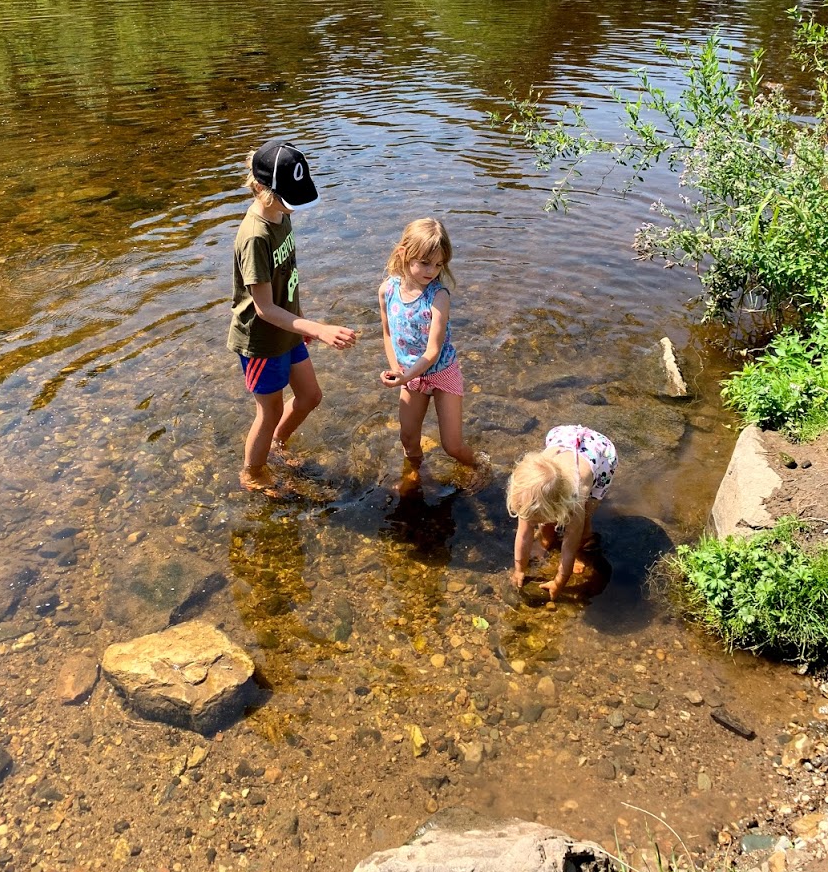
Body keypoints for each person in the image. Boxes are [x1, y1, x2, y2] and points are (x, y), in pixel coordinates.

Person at [227, 138, 357, 495]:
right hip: (261, 340)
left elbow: (286, 280)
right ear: (264, 190)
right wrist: (318, 328)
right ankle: (252, 472)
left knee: (310, 396)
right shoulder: (255, 236)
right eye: (290, 198)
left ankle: (276, 444)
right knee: (268, 412)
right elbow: (263, 308)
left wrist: (301, 321)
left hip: (287, 327)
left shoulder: (280, 215)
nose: (295, 206)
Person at [378, 218, 490, 490]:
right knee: (408, 439)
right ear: (403, 253)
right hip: (410, 375)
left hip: (442, 373)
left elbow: (433, 351)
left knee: (452, 446)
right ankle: (416, 476)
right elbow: (388, 334)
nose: (432, 271)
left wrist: (405, 378)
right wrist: (397, 370)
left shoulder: (438, 296)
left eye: (439, 265)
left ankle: (482, 466)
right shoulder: (387, 290)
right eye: (426, 263)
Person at [507, 425, 617, 599]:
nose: (531, 521)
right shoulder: (526, 496)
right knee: (543, 519)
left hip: (601, 456)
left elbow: (568, 549)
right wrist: (519, 569)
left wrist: (559, 582)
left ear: (559, 506)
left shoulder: (576, 502)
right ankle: (546, 538)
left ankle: (583, 550)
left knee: (585, 520)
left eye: (537, 518)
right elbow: (523, 534)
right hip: (563, 438)